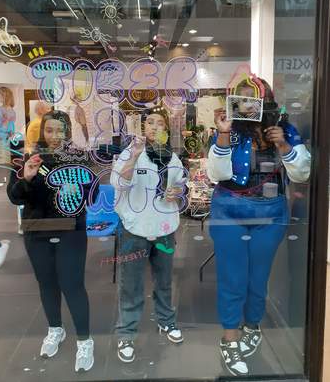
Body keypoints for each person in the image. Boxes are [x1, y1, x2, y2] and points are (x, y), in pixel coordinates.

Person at [206, 76, 311, 377]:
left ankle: (252, 326)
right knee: (232, 277)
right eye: (239, 101)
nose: (247, 107)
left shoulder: (284, 129)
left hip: (270, 213)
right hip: (228, 209)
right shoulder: (228, 129)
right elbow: (216, 173)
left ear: (266, 103)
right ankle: (229, 338)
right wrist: (223, 135)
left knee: (258, 277)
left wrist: (283, 143)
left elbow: (302, 173)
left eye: (253, 101)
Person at [7, 110, 95, 373]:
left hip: (71, 231)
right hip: (37, 232)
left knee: (72, 284)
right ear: (42, 131)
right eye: (50, 130)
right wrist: (28, 177)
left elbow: (93, 194)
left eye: (60, 130)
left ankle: (84, 340)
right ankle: (55, 329)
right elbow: (14, 197)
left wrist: (78, 186)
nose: (55, 136)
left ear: (67, 132)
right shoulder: (28, 158)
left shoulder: (79, 157)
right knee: (47, 284)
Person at [110, 107, 186, 363]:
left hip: (164, 231)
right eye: (150, 122)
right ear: (143, 127)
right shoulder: (129, 153)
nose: (154, 127)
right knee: (131, 284)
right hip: (135, 232)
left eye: (160, 124)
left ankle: (167, 321)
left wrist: (177, 194)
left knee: (164, 280)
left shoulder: (172, 158)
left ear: (166, 129)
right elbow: (119, 184)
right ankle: (127, 333)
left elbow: (180, 188)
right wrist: (134, 155)